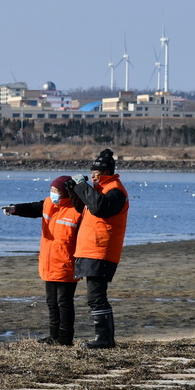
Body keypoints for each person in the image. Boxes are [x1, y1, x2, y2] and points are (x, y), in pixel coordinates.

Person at [1, 176, 82, 346]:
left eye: (56, 191)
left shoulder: (77, 210)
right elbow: (33, 208)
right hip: (48, 262)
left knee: (64, 303)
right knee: (51, 302)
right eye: (51, 190)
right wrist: (15, 209)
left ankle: (65, 339)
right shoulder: (48, 203)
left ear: (66, 193)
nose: (52, 193)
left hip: (67, 264)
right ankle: (54, 336)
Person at [65, 148, 128, 349]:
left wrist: (82, 185)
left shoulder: (115, 191)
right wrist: (73, 189)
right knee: (95, 296)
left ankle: (104, 339)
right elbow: (84, 207)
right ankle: (104, 338)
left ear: (106, 173)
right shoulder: (100, 189)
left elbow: (99, 208)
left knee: (96, 297)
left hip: (101, 250)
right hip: (91, 249)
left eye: (96, 173)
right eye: (91, 172)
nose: (93, 175)